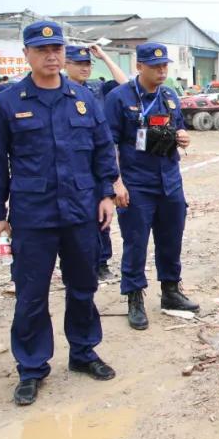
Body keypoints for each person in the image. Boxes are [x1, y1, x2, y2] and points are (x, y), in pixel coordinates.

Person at [0, 20, 119, 406]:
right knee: (30, 294)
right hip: (32, 216)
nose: (51, 56)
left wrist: (106, 192)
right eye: (42, 50)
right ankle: (31, 367)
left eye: (56, 49)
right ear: (26, 54)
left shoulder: (83, 98)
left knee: (82, 287)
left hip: (79, 212)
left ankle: (83, 352)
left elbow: (102, 148)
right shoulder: (8, 102)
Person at [105, 42, 196, 331]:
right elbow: (108, 144)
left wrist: (183, 136)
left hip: (169, 179)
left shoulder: (169, 96)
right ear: (139, 66)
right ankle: (134, 298)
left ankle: (170, 291)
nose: (161, 70)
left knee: (171, 239)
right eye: (155, 66)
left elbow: (179, 127)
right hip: (137, 182)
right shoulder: (119, 98)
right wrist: (115, 182)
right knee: (136, 242)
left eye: (164, 66)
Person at [65, 44, 130, 280]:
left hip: (98, 161)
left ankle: (102, 262)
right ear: (66, 64)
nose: (84, 68)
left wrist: (104, 57)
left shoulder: (96, 89)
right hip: (74, 162)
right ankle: (81, 264)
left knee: (103, 211)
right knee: (78, 216)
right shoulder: (60, 90)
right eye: (78, 64)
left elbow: (126, 86)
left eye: (87, 64)